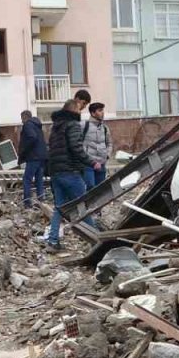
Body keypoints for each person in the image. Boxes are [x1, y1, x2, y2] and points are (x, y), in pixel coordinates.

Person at [45, 98, 93, 251]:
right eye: (79, 109)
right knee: (82, 206)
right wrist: (92, 162)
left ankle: (53, 241)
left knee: (59, 208)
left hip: (56, 173)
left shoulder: (55, 127)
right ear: (73, 110)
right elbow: (76, 148)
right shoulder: (73, 125)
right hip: (70, 172)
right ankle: (96, 239)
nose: (80, 112)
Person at [18, 110, 48, 209]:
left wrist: (24, 149)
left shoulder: (27, 125)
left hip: (33, 156)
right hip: (42, 156)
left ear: (24, 117)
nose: (21, 121)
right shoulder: (37, 125)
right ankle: (41, 201)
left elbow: (32, 137)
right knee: (39, 179)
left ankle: (27, 202)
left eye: (22, 119)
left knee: (27, 179)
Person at [82, 102, 111, 187]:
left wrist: (107, 155)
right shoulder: (84, 125)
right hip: (88, 163)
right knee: (90, 187)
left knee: (100, 189)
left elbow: (109, 143)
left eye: (102, 110)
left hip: (101, 163)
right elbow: (78, 142)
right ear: (93, 113)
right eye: (100, 110)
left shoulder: (105, 128)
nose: (102, 113)